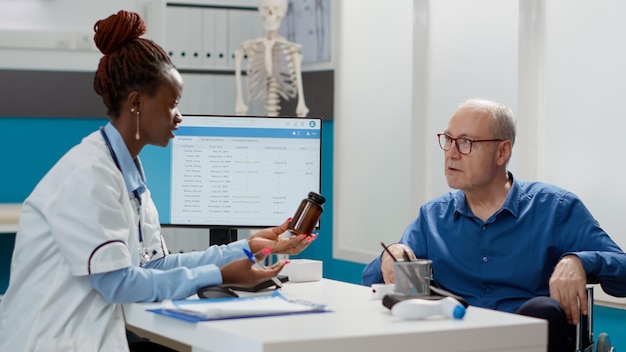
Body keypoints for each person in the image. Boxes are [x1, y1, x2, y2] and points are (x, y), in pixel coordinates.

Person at [0, 10, 316, 352]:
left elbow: (155, 265)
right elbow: (118, 284)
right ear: (137, 103)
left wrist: (246, 248)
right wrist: (221, 276)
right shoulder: (89, 175)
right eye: (172, 104)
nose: (178, 116)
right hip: (50, 342)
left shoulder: (128, 173)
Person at [362, 98, 626, 352]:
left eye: (466, 142)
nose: (452, 153)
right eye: (448, 140)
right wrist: (392, 254)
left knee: (544, 310)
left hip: (527, 341)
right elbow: (371, 282)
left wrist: (580, 261)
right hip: (454, 340)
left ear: (502, 152)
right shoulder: (433, 217)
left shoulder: (556, 208)